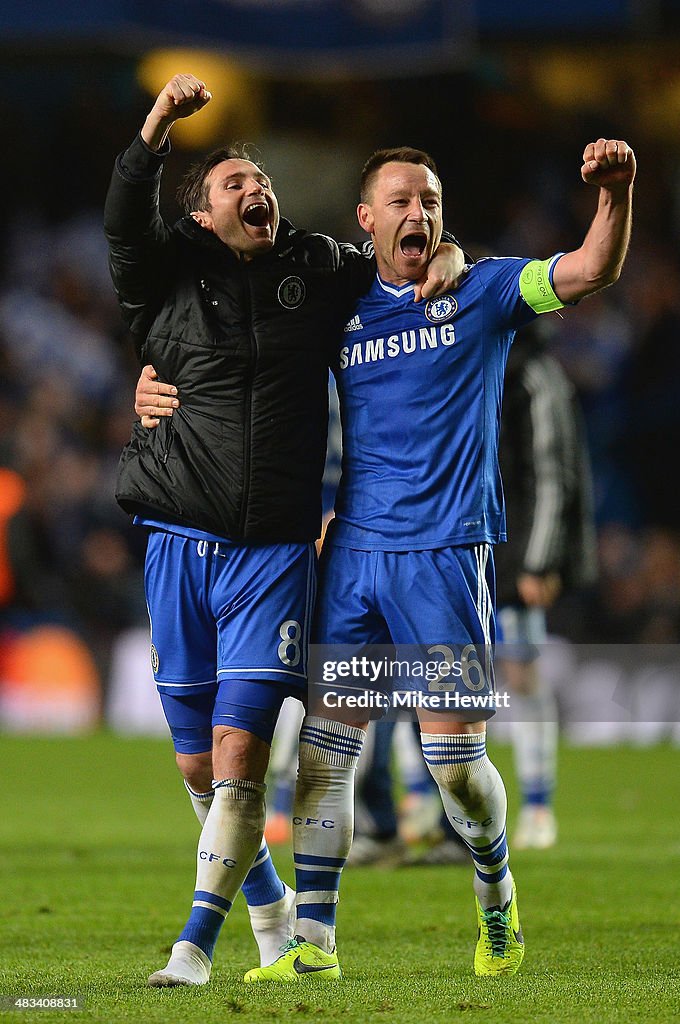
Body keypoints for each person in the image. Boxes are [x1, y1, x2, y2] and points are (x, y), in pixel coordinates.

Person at [138, 136, 635, 979]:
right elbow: (240, 353)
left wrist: (616, 196)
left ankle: (497, 893)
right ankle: (314, 946)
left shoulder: (480, 289)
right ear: (366, 220)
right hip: (355, 553)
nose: (420, 212)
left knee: (455, 771)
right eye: (400, 200)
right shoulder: (340, 305)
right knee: (326, 753)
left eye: (430, 200)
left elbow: (589, 270)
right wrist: (152, 384)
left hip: (444, 555)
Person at [105, 73, 463, 988]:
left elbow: (399, 259)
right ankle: (269, 917)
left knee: (240, 754)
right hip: (178, 539)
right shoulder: (167, 275)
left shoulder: (318, 267)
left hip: (271, 552)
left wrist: (449, 254)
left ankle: (193, 945)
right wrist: (156, 131)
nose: (254, 185)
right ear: (200, 216)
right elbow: (122, 222)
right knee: (200, 768)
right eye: (232, 181)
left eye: (257, 175)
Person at [494, 326, 598, 850]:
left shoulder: (532, 375)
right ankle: (423, 804)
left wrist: (537, 560)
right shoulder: (475, 363)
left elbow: (552, 476)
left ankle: (538, 806)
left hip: (514, 553)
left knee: (521, 674)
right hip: (470, 545)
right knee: (434, 674)